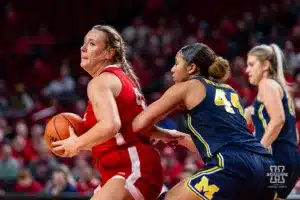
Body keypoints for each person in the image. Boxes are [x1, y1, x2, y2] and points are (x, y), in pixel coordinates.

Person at [51, 25, 182, 200]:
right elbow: (131, 129)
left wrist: (76, 144)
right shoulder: (121, 80)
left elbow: (111, 125)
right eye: (83, 43)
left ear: (108, 53)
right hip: (129, 168)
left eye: (91, 44)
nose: (82, 48)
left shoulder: (101, 82)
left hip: (131, 167)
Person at [132, 43, 276, 200]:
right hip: (267, 167)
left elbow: (139, 124)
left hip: (231, 165)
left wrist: (162, 134)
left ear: (191, 68)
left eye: (177, 63)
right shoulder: (230, 91)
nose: (172, 69)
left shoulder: (187, 87)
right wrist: (177, 136)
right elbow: (214, 143)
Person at [245, 44, 300, 199]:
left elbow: (278, 120)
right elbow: (295, 134)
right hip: (288, 159)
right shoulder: (279, 88)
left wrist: (259, 151)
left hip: (276, 159)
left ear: (266, 65)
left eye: (251, 64)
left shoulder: (267, 84)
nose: (247, 70)